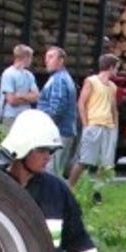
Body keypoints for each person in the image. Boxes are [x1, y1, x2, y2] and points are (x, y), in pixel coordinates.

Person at [0, 109, 103, 252]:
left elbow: (78, 240)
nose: (48, 157)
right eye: (42, 150)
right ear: (22, 149)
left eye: (50, 151)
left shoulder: (56, 190)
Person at [68, 53, 119, 197]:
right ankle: (70, 186)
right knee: (84, 160)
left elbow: (114, 109)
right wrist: (86, 124)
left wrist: (115, 128)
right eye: (116, 68)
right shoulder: (91, 81)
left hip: (108, 127)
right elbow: (81, 103)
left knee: (105, 164)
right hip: (94, 125)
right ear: (110, 67)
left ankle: (98, 191)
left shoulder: (112, 87)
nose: (117, 71)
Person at [37, 45, 76, 176]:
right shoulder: (60, 77)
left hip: (58, 133)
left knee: (51, 172)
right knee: (54, 171)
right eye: (46, 57)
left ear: (61, 61)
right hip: (61, 131)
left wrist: (46, 128)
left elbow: (56, 108)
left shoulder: (59, 79)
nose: (47, 60)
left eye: (51, 57)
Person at [0, 44, 38, 135]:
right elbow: (11, 100)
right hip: (10, 117)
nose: (31, 61)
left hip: (25, 117)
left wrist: (20, 95)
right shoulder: (8, 74)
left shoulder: (29, 75)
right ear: (25, 58)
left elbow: (36, 96)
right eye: (30, 58)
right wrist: (28, 97)